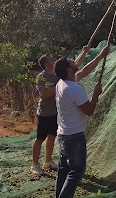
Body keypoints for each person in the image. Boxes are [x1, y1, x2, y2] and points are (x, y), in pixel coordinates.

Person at [53, 45, 109, 198]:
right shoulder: (74, 89)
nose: (74, 60)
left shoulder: (62, 83)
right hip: (74, 137)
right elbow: (90, 110)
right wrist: (96, 95)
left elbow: (84, 70)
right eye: (71, 62)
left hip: (63, 134)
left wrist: (100, 56)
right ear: (69, 70)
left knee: (63, 171)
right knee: (76, 172)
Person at [31, 46, 91, 175]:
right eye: (52, 59)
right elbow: (45, 93)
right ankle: (35, 165)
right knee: (40, 138)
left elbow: (75, 65)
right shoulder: (41, 77)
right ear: (47, 64)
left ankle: (48, 161)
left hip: (56, 113)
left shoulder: (60, 76)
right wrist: (61, 84)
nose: (55, 59)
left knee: (52, 137)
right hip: (45, 113)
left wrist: (84, 52)